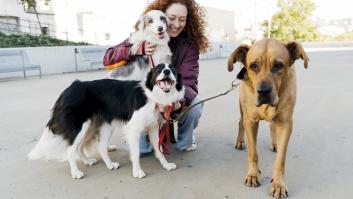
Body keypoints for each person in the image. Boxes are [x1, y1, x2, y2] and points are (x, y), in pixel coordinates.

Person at [103, 0, 209, 152]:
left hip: (170, 93)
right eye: (171, 18)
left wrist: (177, 102)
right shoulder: (141, 36)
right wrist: (134, 49)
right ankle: (140, 133)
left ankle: (185, 139)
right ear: (162, 15)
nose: (176, 24)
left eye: (182, 19)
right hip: (141, 97)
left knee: (195, 104)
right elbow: (108, 58)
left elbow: (189, 81)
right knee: (143, 150)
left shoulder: (189, 46)